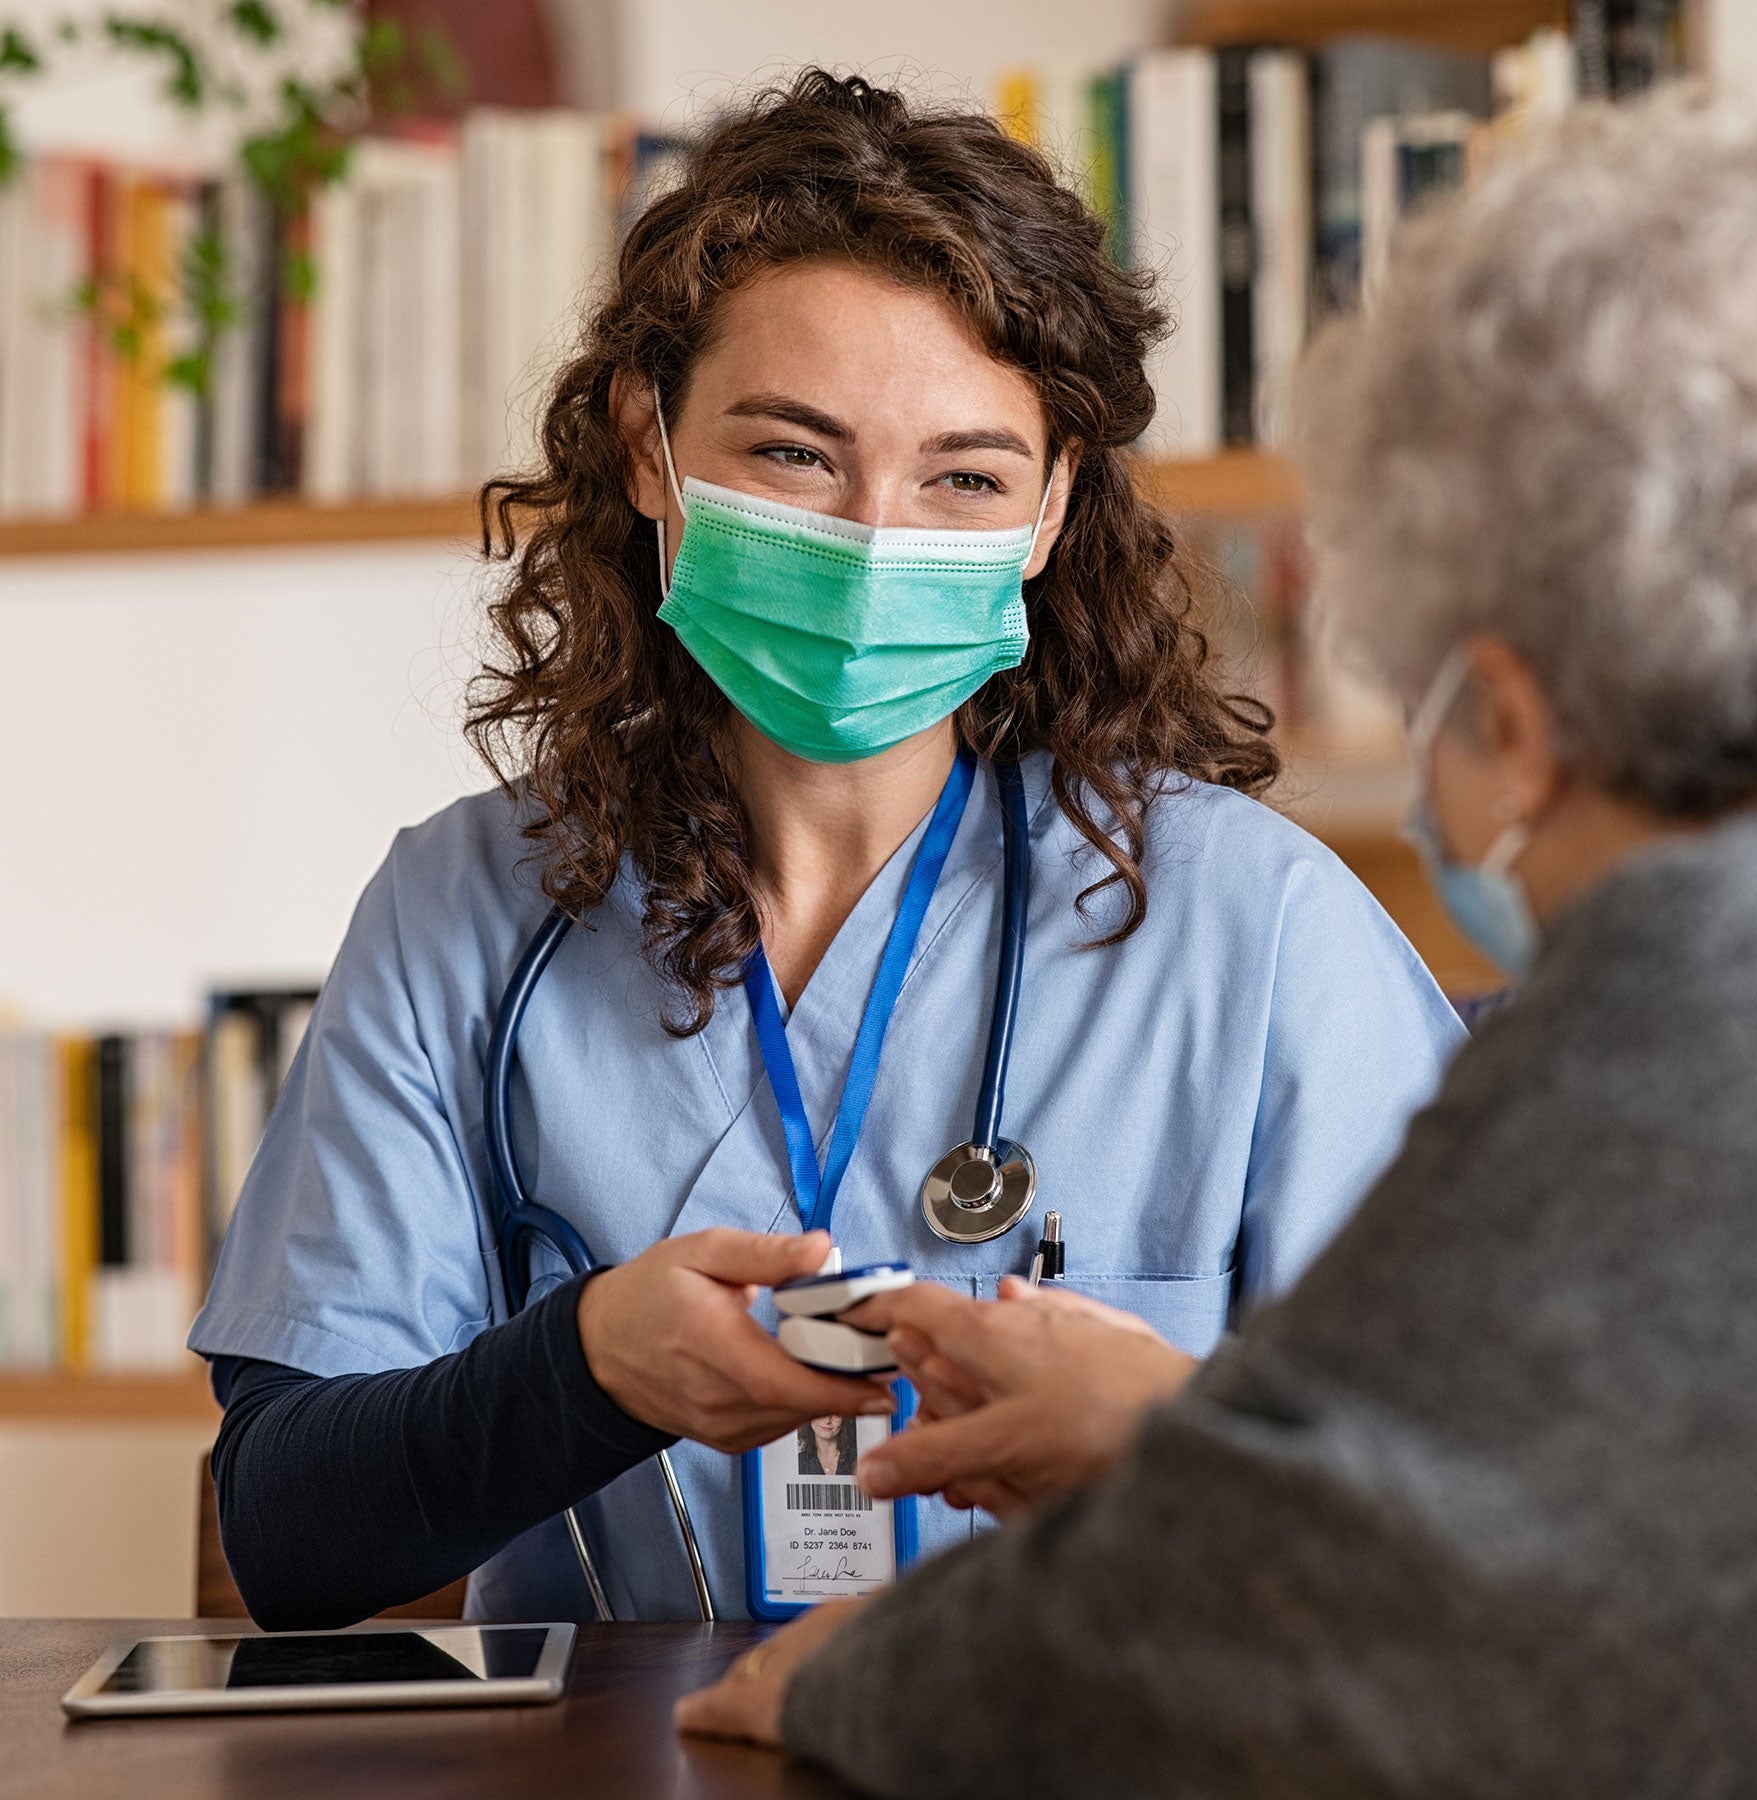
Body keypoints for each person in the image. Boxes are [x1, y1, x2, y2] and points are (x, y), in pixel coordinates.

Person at [188, 69, 1459, 1629]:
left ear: (1052, 512)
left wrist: (1155, 1440)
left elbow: (1470, 1509)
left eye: (966, 477)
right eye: (793, 456)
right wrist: (584, 1366)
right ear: (646, 448)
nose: (873, 540)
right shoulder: (469, 914)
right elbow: (290, 1535)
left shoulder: (1253, 930)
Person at [677, 94, 1757, 1793]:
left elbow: (1327, 1615)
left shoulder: (1691, 1001)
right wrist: (1164, 1433)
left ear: (1510, 710)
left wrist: (861, 1681)